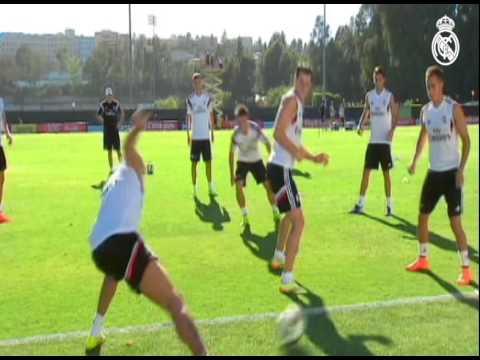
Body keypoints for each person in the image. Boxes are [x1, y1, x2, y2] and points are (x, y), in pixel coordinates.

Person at [86, 110, 207, 356]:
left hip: (99, 248)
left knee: (113, 274)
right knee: (176, 303)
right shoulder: (134, 167)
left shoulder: (113, 180)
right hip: (122, 242)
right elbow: (129, 147)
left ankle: (95, 333)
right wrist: (139, 128)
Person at [406, 65, 474, 286]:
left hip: (451, 174)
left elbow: (467, 141)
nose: (429, 89)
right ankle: (423, 259)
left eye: (433, 85)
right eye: (427, 86)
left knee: (455, 224)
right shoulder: (426, 111)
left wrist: (461, 170)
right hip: (433, 173)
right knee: (422, 216)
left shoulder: (452, 109)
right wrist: (414, 162)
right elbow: (422, 138)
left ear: (441, 85)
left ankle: (466, 269)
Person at [267, 66, 330, 294]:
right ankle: (287, 279)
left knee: (289, 216)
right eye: (301, 81)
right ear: (295, 80)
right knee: (300, 222)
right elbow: (277, 133)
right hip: (280, 169)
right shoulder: (292, 101)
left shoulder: (295, 103)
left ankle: (278, 257)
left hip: (279, 169)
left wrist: (313, 157)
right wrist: (295, 152)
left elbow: (291, 138)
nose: (304, 86)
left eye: (307, 83)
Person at [352, 66, 399, 216]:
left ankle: (390, 206)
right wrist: (360, 125)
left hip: (384, 142)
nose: (376, 81)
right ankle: (361, 204)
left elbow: (396, 115)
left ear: (384, 80)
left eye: (379, 78)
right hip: (373, 142)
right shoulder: (369, 96)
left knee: (386, 174)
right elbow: (366, 112)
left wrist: (392, 131)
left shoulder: (389, 96)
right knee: (366, 172)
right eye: (374, 78)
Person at [229, 104, 280, 228]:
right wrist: (231, 175)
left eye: (243, 120)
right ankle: (245, 216)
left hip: (257, 161)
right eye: (238, 120)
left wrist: (271, 160)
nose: (241, 123)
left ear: (247, 117)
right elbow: (230, 154)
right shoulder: (236, 134)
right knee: (238, 186)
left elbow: (267, 143)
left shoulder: (255, 129)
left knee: (268, 187)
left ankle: (275, 211)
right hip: (242, 163)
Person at [186, 73, 217, 197]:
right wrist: (188, 134)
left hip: (205, 137)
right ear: (193, 84)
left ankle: (210, 188)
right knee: (194, 164)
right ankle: (194, 189)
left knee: (208, 162)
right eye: (195, 82)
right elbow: (188, 117)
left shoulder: (207, 98)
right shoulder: (190, 99)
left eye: (199, 81)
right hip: (195, 138)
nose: (198, 83)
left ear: (202, 83)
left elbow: (210, 116)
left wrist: (212, 132)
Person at [97, 88, 124, 173]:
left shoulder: (116, 104)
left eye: (110, 95)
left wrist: (119, 124)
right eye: (108, 95)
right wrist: (103, 122)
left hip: (115, 130)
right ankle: (111, 168)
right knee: (109, 151)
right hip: (107, 131)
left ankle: (122, 167)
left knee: (118, 150)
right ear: (106, 96)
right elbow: (98, 115)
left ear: (112, 95)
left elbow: (121, 113)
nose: (109, 97)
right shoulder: (103, 105)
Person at [0, 96, 13, 224]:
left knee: (2, 177)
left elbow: (3, 118)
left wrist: (8, 133)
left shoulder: (1, 101)